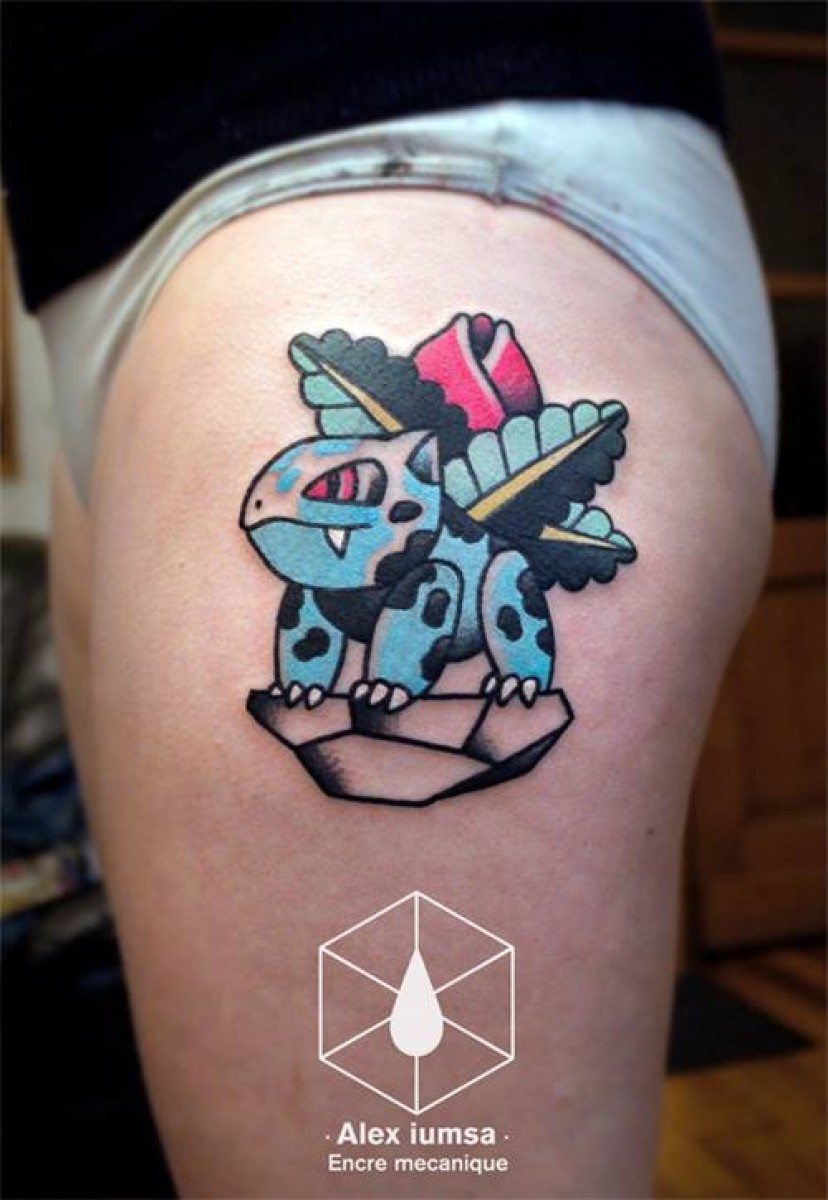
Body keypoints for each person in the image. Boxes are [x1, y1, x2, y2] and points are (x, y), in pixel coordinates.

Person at [3, 3, 775, 1195]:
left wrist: (426, 682)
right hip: (105, 232)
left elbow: (437, 608)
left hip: (400, 152)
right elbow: (313, 614)